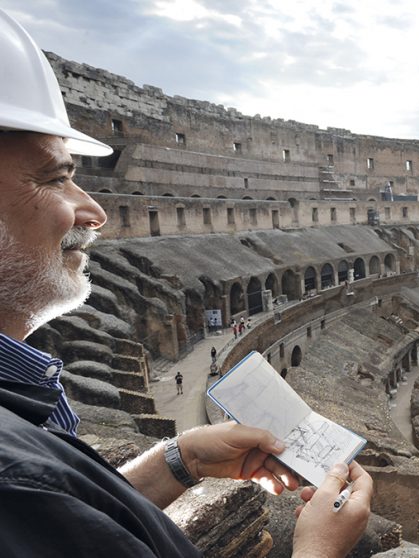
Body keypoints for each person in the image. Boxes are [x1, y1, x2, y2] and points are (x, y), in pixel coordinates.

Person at [0, 9, 371, 557]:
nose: (95, 211)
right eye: (54, 178)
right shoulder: (18, 486)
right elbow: (44, 497)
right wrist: (317, 552)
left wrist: (181, 459)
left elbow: (82, 521)